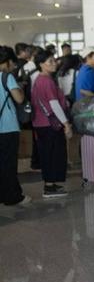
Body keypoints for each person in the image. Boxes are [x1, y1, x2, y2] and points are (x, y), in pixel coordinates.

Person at [31, 48, 73, 198]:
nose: (54, 63)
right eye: (50, 61)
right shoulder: (46, 81)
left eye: (54, 60)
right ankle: (49, 187)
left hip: (42, 124)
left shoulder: (40, 79)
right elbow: (54, 105)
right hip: (49, 124)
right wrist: (66, 124)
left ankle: (51, 184)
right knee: (52, 154)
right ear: (41, 64)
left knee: (49, 154)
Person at [0, 46, 30, 206]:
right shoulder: (6, 77)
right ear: (7, 61)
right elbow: (19, 99)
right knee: (9, 163)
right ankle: (13, 196)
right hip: (8, 127)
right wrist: (21, 89)